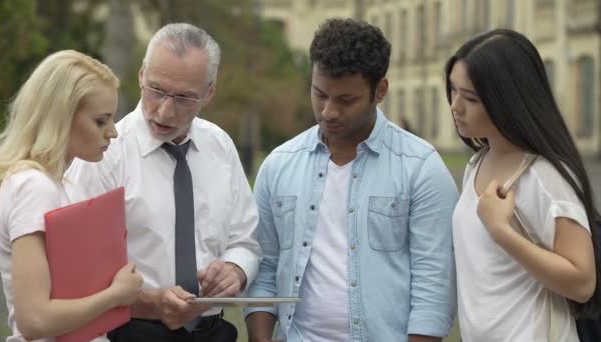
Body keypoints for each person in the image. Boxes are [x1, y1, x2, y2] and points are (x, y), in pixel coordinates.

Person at [244, 18, 458, 342]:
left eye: (346, 100)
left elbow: (434, 287)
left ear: (380, 90)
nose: (328, 111)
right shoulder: (278, 166)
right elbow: (264, 270)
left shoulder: (421, 168)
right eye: (320, 94)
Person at [64, 23, 261, 342]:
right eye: (156, 90)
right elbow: (79, 268)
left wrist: (237, 270)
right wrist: (150, 304)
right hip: (130, 333)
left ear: (209, 92)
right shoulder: (104, 155)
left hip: (215, 332)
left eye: (184, 97)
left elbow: (246, 240)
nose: (165, 110)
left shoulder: (220, 146)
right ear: (142, 74)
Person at [446, 28, 601, 342]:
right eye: (453, 90)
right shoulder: (477, 163)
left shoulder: (546, 178)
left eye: (471, 97)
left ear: (507, 100)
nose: (455, 106)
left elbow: (583, 283)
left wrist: (502, 232)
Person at [0, 50, 143, 342]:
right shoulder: (33, 186)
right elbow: (34, 319)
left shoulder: (54, 183)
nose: (112, 132)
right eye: (101, 121)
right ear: (61, 118)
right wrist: (115, 295)